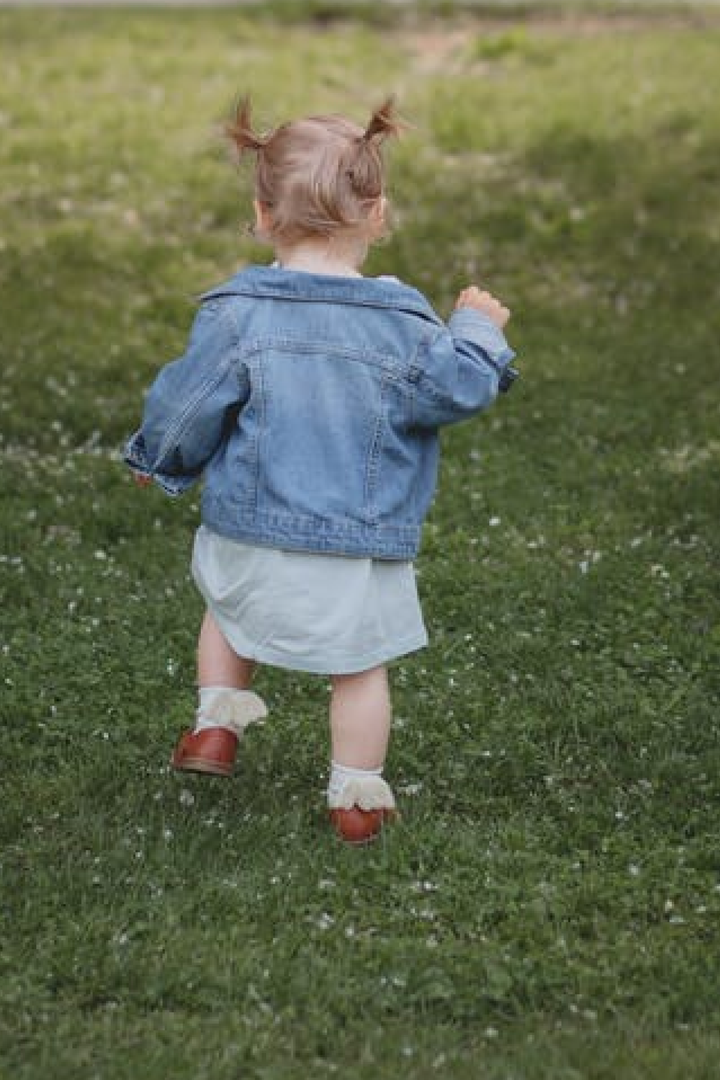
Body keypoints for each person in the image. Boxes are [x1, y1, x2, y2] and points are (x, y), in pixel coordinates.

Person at [124, 96, 516, 844]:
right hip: (358, 543)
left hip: (250, 526)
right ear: (377, 215)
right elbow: (456, 388)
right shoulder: (403, 321)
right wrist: (477, 327)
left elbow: (189, 399)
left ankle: (215, 725)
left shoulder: (239, 312)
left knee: (230, 613)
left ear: (262, 213)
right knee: (359, 668)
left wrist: (160, 457)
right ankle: (356, 800)